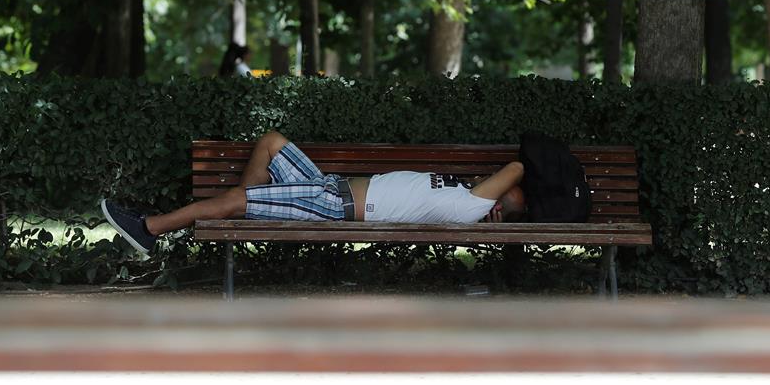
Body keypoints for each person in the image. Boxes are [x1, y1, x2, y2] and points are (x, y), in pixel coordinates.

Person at [102, 131, 526, 256]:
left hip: (330, 207)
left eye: (506, 196)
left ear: (497, 203)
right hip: (328, 187)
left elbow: (516, 167)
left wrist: (501, 201)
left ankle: (149, 229)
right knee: (271, 142)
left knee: (235, 202)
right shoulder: (467, 196)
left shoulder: (471, 206)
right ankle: (254, 204)